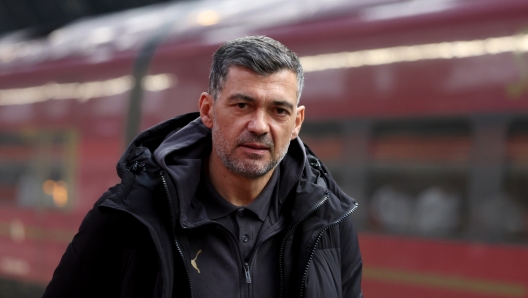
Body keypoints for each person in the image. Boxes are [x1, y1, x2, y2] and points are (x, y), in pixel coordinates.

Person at [42, 36, 362, 298]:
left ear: (297, 123)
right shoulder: (130, 216)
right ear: (207, 111)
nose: (260, 126)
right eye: (242, 105)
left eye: (279, 110)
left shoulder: (329, 223)